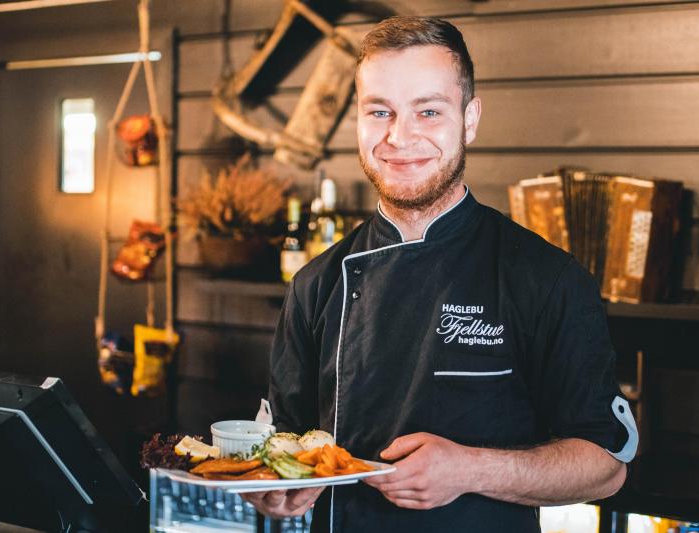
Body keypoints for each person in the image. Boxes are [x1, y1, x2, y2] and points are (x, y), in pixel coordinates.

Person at [247, 15, 638, 533]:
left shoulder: (546, 278)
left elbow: (606, 467)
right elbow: (284, 446)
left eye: (428, 111)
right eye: (379, 111)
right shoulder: (315, 284)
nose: (399, 136)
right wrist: (269, 484)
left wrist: (470, 469)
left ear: (470, 118)